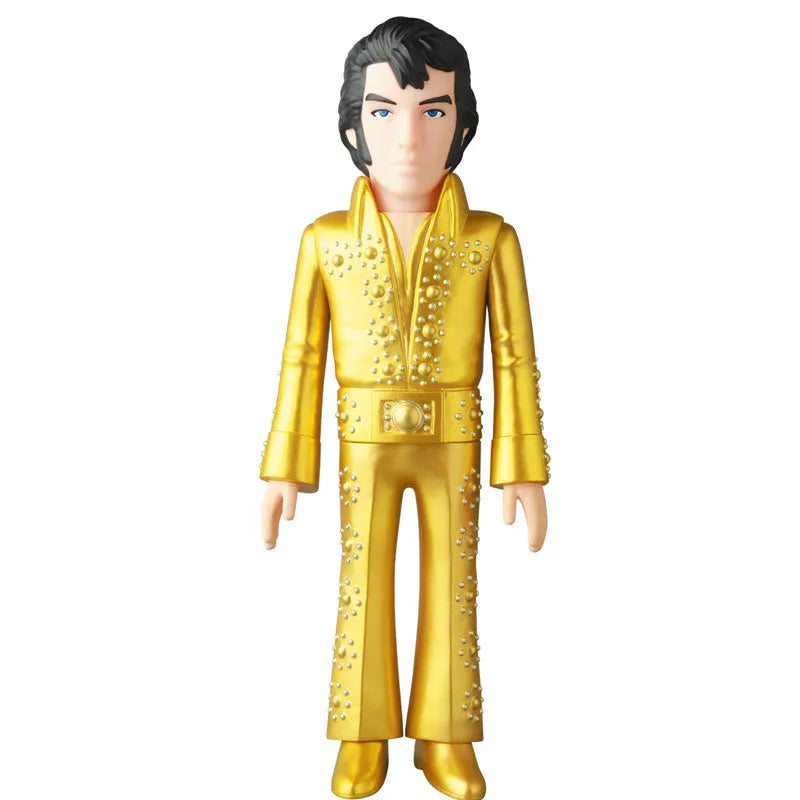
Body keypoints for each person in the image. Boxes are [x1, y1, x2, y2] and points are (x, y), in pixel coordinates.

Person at [259, 16, 550, 800]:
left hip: (454, 435)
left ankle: (446, 736)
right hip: (362, 439)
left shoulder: (491, 239)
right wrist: (286, 464)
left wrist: (523, 466)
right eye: (384, 110)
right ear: (352, 126)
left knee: (455, 584)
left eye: (433, 110)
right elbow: (301, 357)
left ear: (462, 126)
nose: (409, 135)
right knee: (361, 580)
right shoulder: (325, 240)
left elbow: (515, 357)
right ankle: (361, 734)